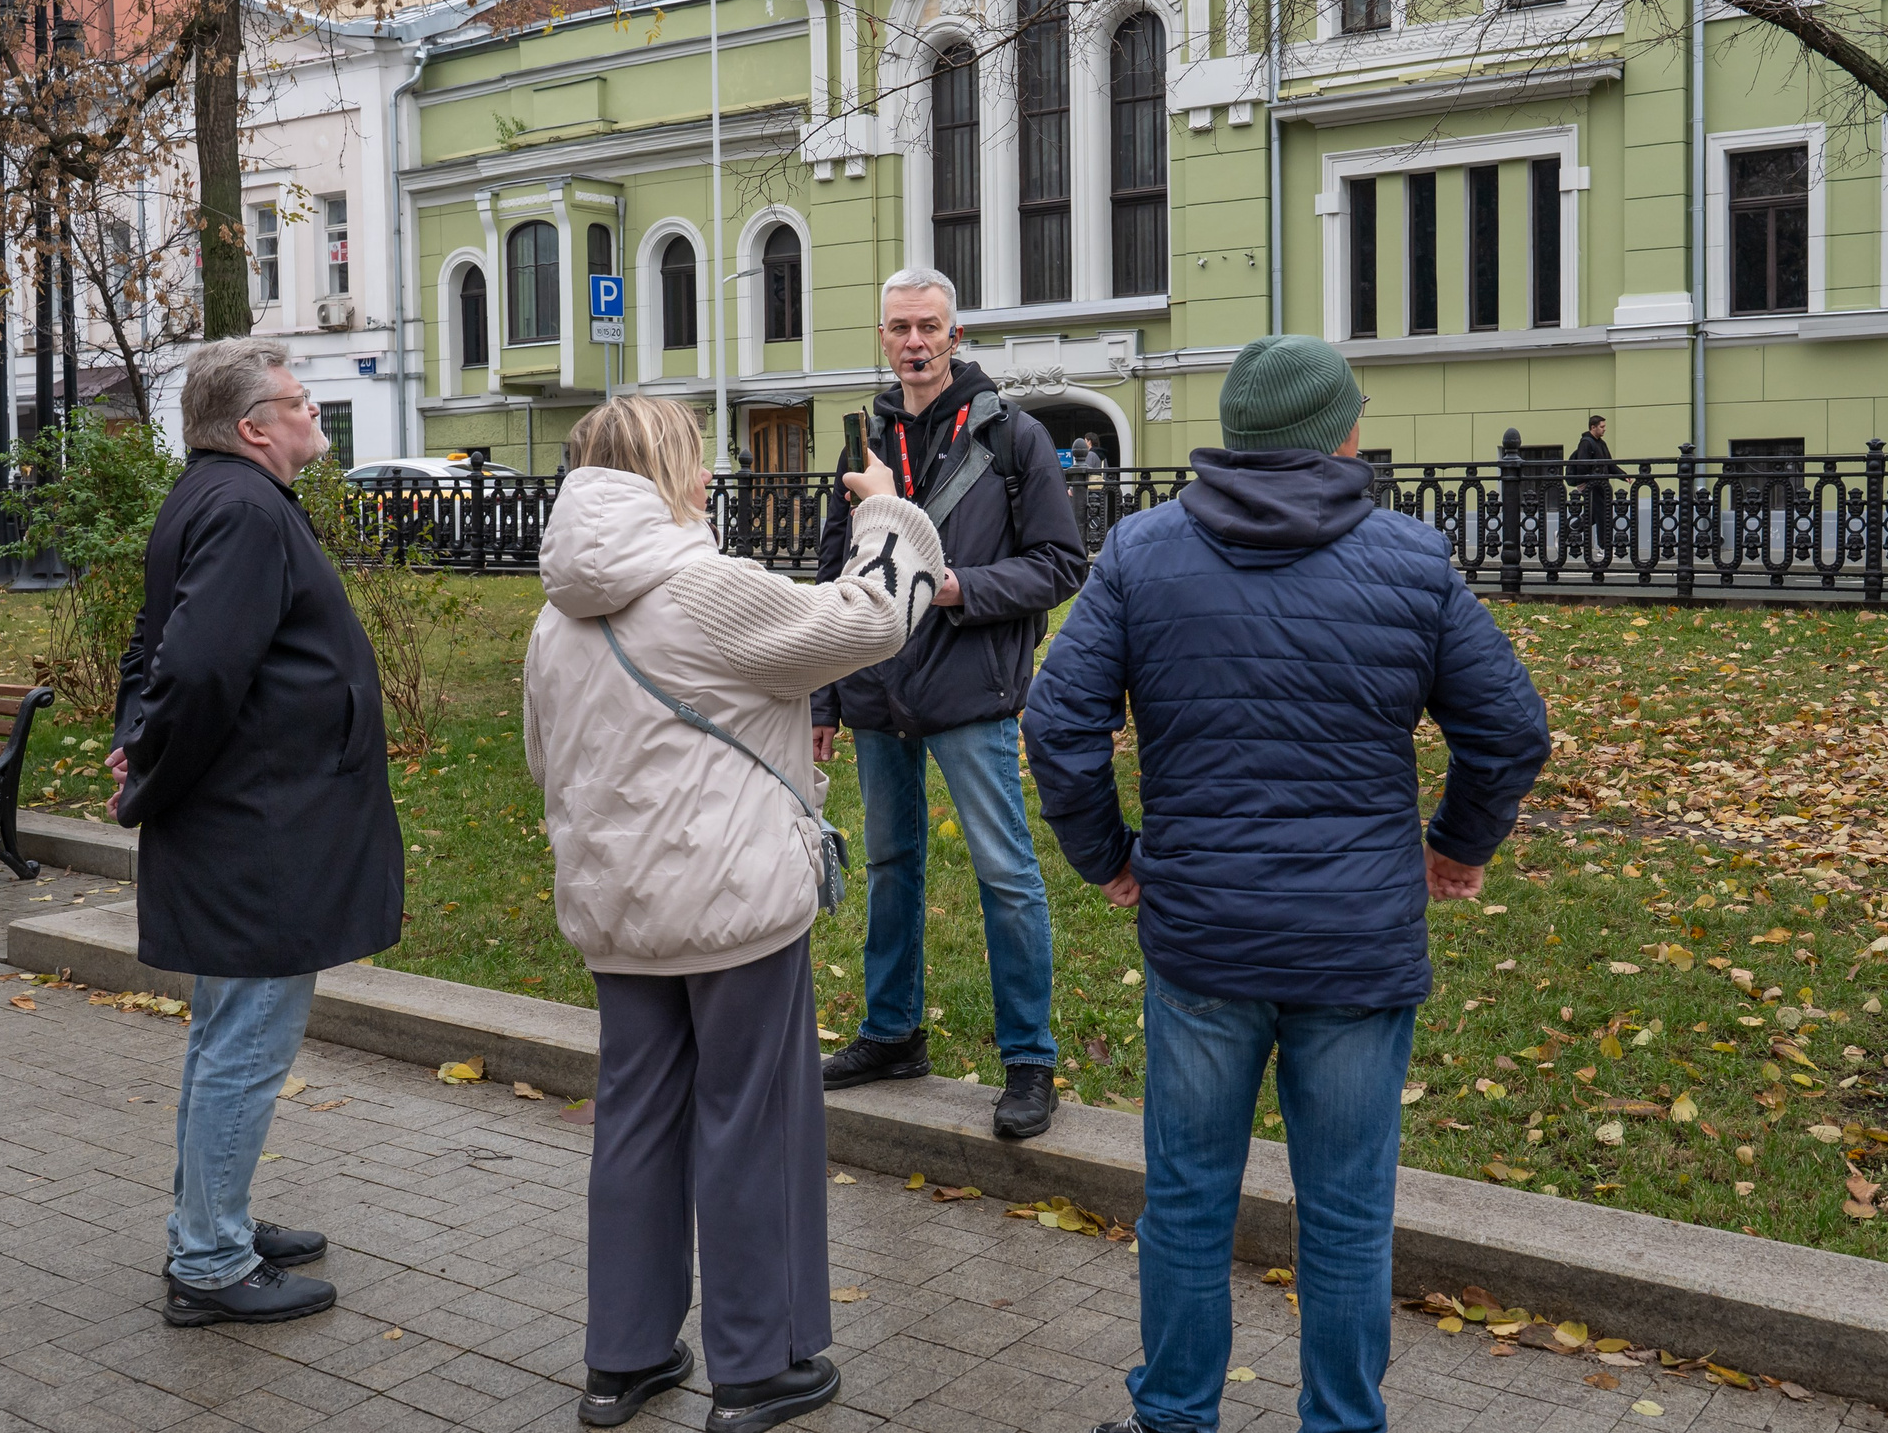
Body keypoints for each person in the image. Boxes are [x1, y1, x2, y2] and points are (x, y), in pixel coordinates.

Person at [1022, 334, 1551, 1433]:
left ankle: (1173, 1415)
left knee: (1186, 1200)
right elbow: (1507, 727)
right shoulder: (1413, 560)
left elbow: (1057, 721)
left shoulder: (1139, 553)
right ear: (1339, 432)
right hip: (1356, 943)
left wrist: (1109, 857)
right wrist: (1456, 843)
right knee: (1349, 1215)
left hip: (1204, 940)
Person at [524, 396, 942, 1433]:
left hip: (616, 910)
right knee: (751, 1127)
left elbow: (548, 764)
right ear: (666, 470)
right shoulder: (701, 590)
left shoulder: (554, 609)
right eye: (696, 461)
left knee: (632, 1122)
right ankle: (758, 1367)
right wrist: (887, 515)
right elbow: (871, 620)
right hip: (731, 907)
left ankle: (621, 1359)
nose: (708, 479)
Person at [107, 336, 404, 1328]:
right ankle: (209, 1260)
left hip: (254, 821)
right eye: (300, 400)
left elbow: (155, 644)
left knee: (223, 1036)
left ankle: (212, 1214)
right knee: (242, 1043)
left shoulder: (218, 497)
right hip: (258, 828)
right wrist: (148, 765)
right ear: (254, 427)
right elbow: (190, 669)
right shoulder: (239, 506)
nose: (314, 410)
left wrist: (136, 741)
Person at [809, 266, 1088, 1140]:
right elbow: (832, 570)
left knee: (1005, 874)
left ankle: (1030, 1059)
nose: (916, 343)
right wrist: (821, 694)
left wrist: (958, 585)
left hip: (971, 690)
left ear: (956, 337)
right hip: (876, 687)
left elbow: (1060, 564)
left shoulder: (1014, 437)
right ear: (883, 338)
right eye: (900, 328)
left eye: (930, 327)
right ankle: (892, 1034)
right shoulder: (865, 435)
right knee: (891, 867)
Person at [1571, 413, 1626, 560]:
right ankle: (1604, 547)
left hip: (1601, 485)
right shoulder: (1586, 443)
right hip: (1592, 485)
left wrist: (1624, 476)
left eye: (1604, 426)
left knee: (1593, 516)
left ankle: (1566, 532)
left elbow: (1609, 464)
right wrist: (1588, 482)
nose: (1604, 429)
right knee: (1602, 514)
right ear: (1593, 427)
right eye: (1602, 427)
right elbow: (1582, 465)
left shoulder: (1601, 443)